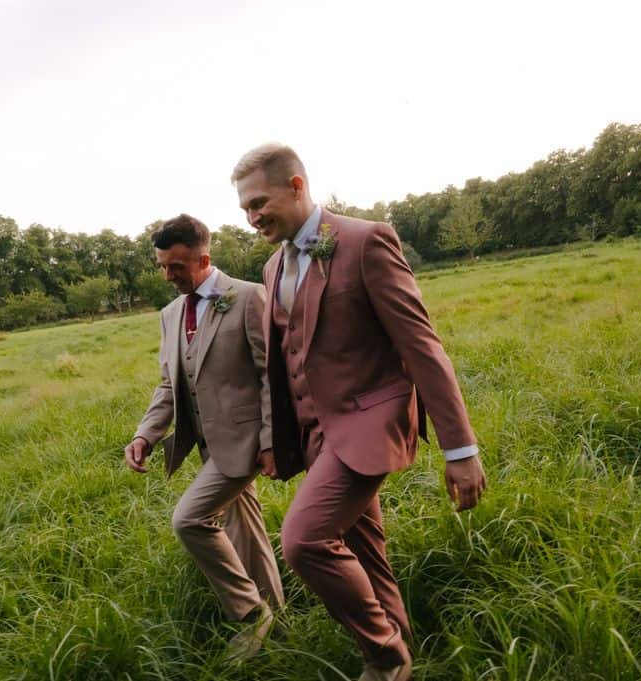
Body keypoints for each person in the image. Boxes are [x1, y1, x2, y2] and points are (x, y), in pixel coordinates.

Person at [231, 143, 487, 681]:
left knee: (304, 540)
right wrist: (277, 438)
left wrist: (460, 449)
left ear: (297, 186)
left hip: (370, 421)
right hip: (317, 431)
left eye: (259, 203)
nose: (252, 218)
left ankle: (384, 654)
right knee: (364, 550)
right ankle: (405, 654)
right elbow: (285, 358)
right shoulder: (274, 263)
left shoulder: (365, 240)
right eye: (244, 210)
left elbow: (422, 346)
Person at [124, 213, 283, 664]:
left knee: (189, 520)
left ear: (204, 259)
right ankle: (281, 624)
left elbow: (271, 375)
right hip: (210, 446)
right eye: (161, 266)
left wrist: (271, 440)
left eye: (176, 266)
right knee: (245, 530)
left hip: (249, 441)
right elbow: (168, 384)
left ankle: (251, 614)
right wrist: (145, 435)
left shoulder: (249, 297)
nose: (167, 275)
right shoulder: (170, 314)